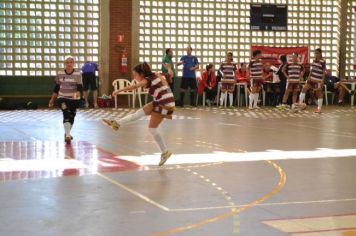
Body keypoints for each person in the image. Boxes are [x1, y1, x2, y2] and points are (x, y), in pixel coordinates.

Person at [102, 62, 175, 166]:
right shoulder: (157, 74)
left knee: (152, 129)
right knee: (139, 113)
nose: (134, 76)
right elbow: (171, 74)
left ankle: (165, 152)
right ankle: (117, 123)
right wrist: (169, 68)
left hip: (165, 104)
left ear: (141, 74)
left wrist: (119, 90)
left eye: (135, 74)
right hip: (161, 101)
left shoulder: (147, 80)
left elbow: (135, 86)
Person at [48, 56, 83, 144]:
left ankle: (67, 133)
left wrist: (77, 94)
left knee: (72, 116)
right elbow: (56, 88)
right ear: (65, 63)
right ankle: (67, 135)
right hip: (62, 98)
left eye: (71, 62)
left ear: (73, 63)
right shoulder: (60, 73)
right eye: (67, 62)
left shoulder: (78, 74)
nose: (69, 64)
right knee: (66, 113)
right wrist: (52, 100)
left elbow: (80, 88)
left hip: (74, 99)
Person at [298, 48, 326, 113]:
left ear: (320, 53)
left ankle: (319, 109)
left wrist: (322, 80)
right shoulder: (314, 61)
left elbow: (323, 71)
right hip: (311, 79)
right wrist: (308, 77)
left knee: (319, 94)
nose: (316, 54)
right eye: (315, 53)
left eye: (317, 53)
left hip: (318, 80)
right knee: (304, 89)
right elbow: (312, 70)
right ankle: (300, 105)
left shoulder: (323, 61)